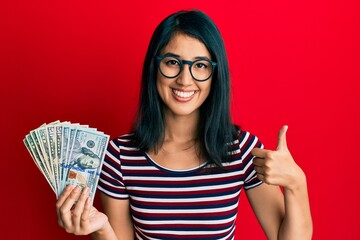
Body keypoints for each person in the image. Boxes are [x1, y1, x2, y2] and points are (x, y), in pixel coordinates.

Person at [55, 10, 313, 240]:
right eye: (172, 62)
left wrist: (297, 183)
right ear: (154, 68)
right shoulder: (119, 157)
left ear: (215, 74)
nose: (184, 79)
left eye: (200, 66)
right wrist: (101, 229)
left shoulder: (242, 150)